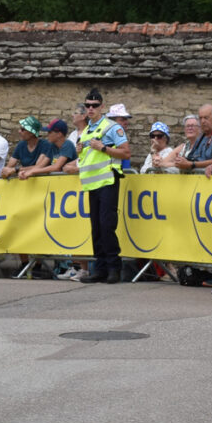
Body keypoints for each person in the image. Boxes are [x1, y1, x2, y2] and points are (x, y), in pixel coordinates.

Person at [74, 89, 129, 283]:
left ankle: (114, 268)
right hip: (92, 184)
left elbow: (126, 152)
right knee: (96, 228)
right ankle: (100, 269)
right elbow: (88, 159)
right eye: (87, 105)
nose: (90, 109)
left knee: (107, 226)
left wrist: (103, 148)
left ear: (102, 107)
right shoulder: (86, 131)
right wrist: (80, 151)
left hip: (108, 181)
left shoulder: (112, 128)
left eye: (94, 106)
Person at [178, 104, 212, 173]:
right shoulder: (201, 138)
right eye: (200, 118)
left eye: (206, 118)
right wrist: (181, 161)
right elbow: (191, 158)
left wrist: (192, 164)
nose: (203, 121)